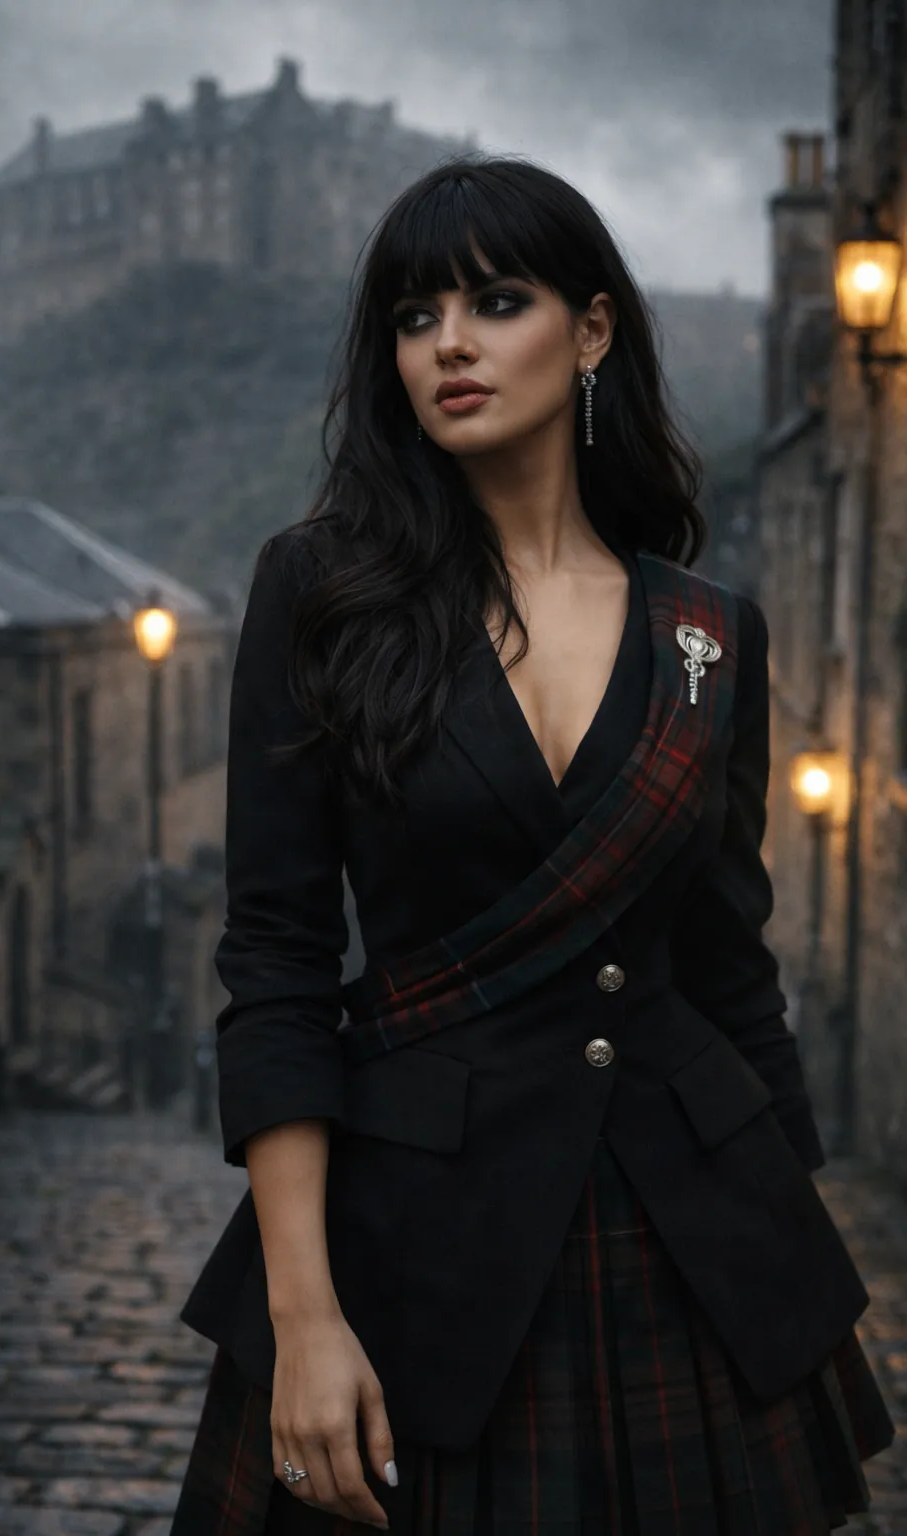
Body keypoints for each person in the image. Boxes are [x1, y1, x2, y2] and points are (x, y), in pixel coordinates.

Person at [170, 157, 895, 1536]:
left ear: (593, 329)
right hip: (417, 1242)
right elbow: (276, 959)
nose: (449, 343)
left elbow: (728, 965)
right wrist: (304, 1315)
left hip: (688, 1244)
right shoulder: (320, 593)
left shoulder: (712, 633)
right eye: (415, 316)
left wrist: (776, 1223)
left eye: (496, 302)